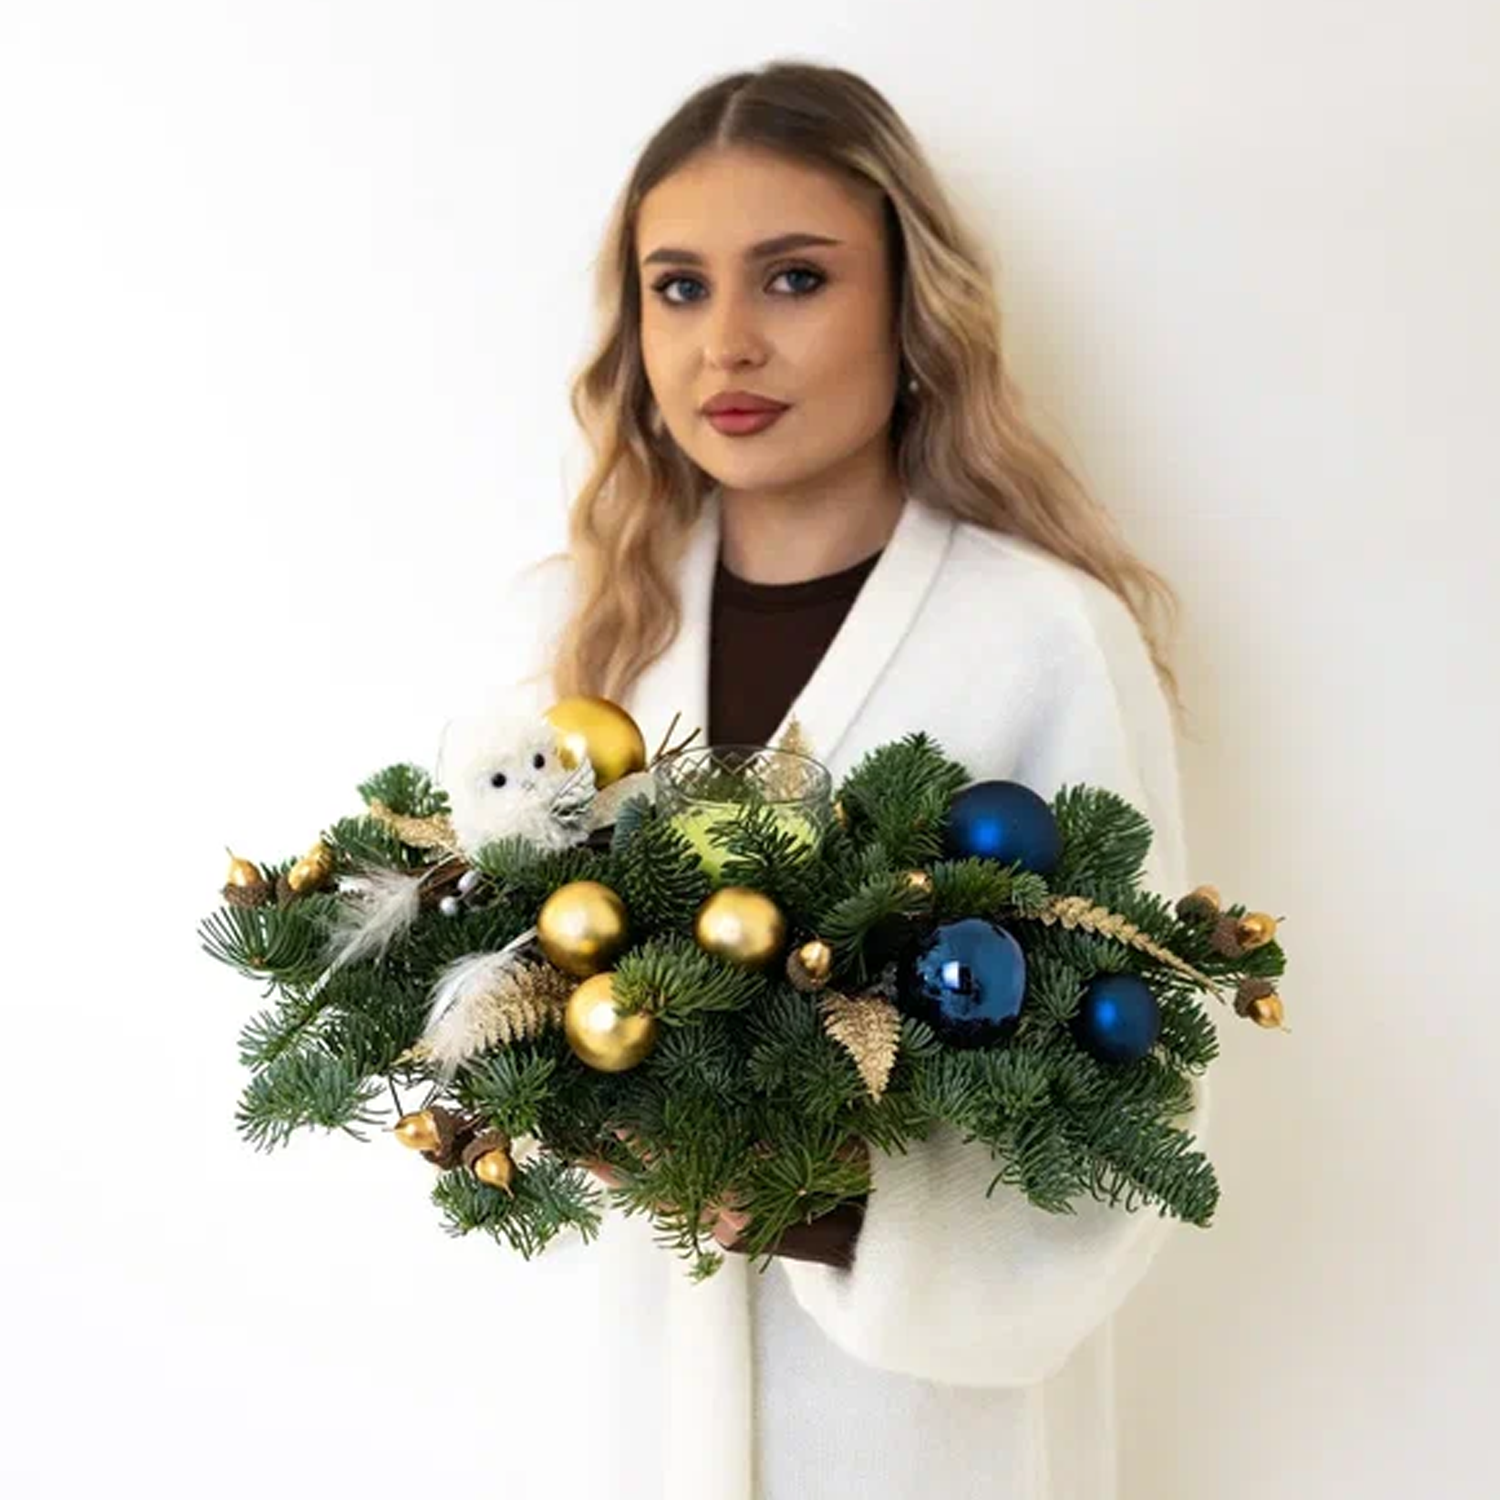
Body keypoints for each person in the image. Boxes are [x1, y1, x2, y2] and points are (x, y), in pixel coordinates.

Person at [499, 58, 1208, 1500]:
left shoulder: (1040, 639)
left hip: (927, 1445)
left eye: (795, 279)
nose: (727, 345)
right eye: (679, 288)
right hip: (661, 1427)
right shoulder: (610, 641)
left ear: (908, 308)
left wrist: (820, 1206)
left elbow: (1138, 1107)